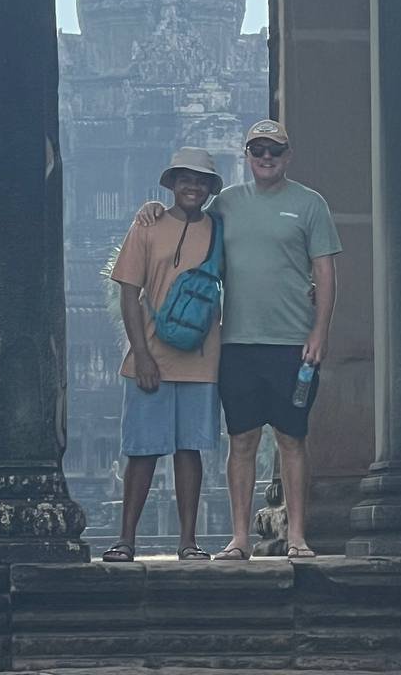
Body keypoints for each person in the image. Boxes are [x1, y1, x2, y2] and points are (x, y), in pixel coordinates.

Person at [139, 120, 341, 559]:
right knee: (243, 440)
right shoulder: (226, 205)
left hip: (293, 342)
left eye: (274, 151)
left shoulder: (310, 204)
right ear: (247, 156)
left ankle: (297, 535)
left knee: (292, 439)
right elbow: (187, 223)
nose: (266, 158)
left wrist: (320, 330)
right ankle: (240, 537)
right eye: (258, 151)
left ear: (288, 156)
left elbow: (324, 271)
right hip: (237, 342)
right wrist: (152, 211)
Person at [102, 147, 224, 563]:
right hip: (149, 355)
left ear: (211, 188)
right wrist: (142, 355)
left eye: (202, 180)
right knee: (142, 450)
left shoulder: (219, 230)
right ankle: (126, 540)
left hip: (201, 357)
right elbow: (129, 295)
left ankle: (188, 541)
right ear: (171, 184)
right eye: (185, 178)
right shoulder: (147, 226)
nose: (193, 186)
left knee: (191, 450)